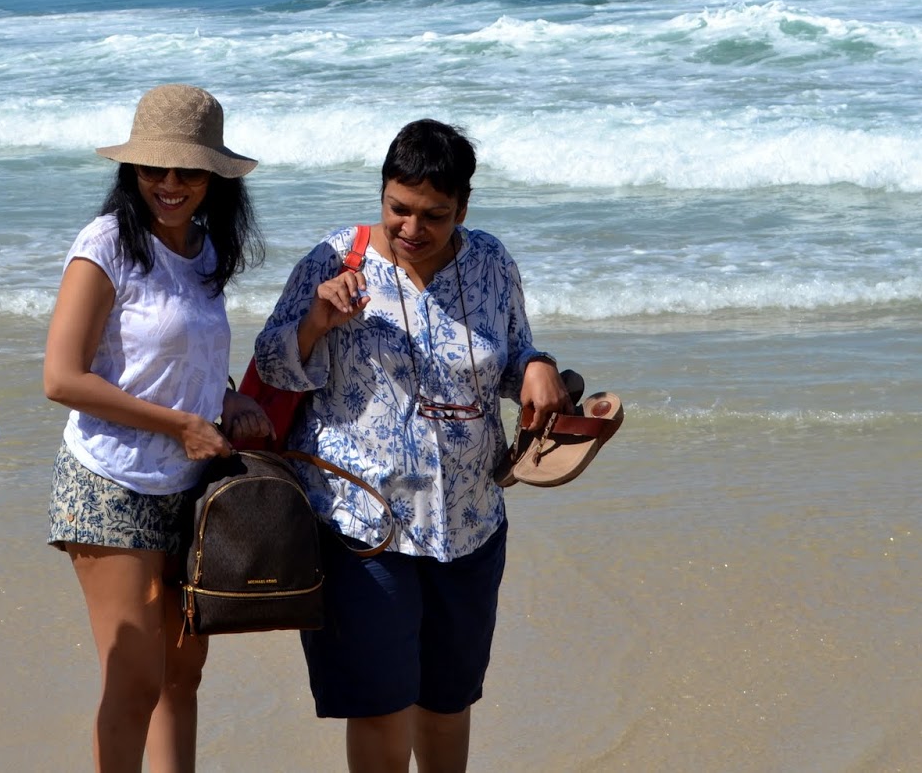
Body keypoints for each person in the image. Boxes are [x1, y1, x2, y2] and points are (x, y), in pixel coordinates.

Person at [253, 118, 570, 773]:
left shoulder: (489, 261)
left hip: (470, 523)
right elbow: (271, 366)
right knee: (380, 706)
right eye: (398, 207)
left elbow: (509, 356)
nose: (412, 227)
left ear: (464, 207)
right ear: (381, 192)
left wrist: (537, 365)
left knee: (448, 702)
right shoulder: (333, 259)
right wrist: (316, 321)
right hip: (363, 524)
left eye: (435, 215)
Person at [43, 84, 268, 773]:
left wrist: (226, 398)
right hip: (110, 481)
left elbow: (174, 357)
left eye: (187, 170)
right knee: (136, 679)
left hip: (188, 485)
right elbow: (62, 377)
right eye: (153, 168)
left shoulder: (206, 247)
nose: (169, 184)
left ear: (214, 176)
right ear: (131, 169)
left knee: (182, 673)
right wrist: (181, 423)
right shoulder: (106, 243)